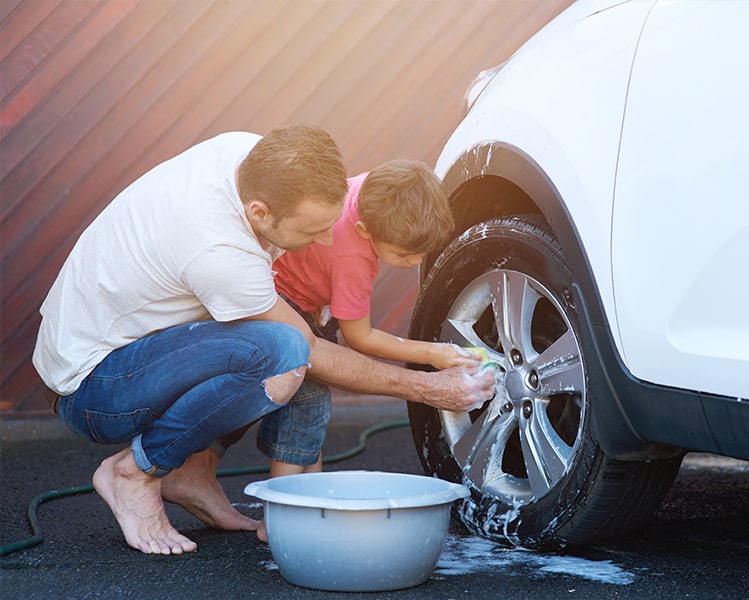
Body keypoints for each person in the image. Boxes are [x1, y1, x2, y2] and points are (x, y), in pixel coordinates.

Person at [32, 125, 494, 556]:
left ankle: (195, 472)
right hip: (95, 389)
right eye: (312, 232)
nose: (321, 241)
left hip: (113, 347)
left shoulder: (248, 155)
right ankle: (135, 471)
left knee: (288, 360)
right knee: (284, 353)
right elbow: (309, 352)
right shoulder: (220, 252)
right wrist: (427, 387)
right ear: (260, 212)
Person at [262, 159, 477, 510]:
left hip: (299, 295)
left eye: (421, 251)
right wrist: (433, 353)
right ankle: (280, 513)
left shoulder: (371, 190)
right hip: (281, 302)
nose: (414, 260)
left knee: (314, 410)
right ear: (364, 230)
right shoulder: (352, 257)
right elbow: (359, 338)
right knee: (305, 403)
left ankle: (308, 500)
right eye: (404, 253)